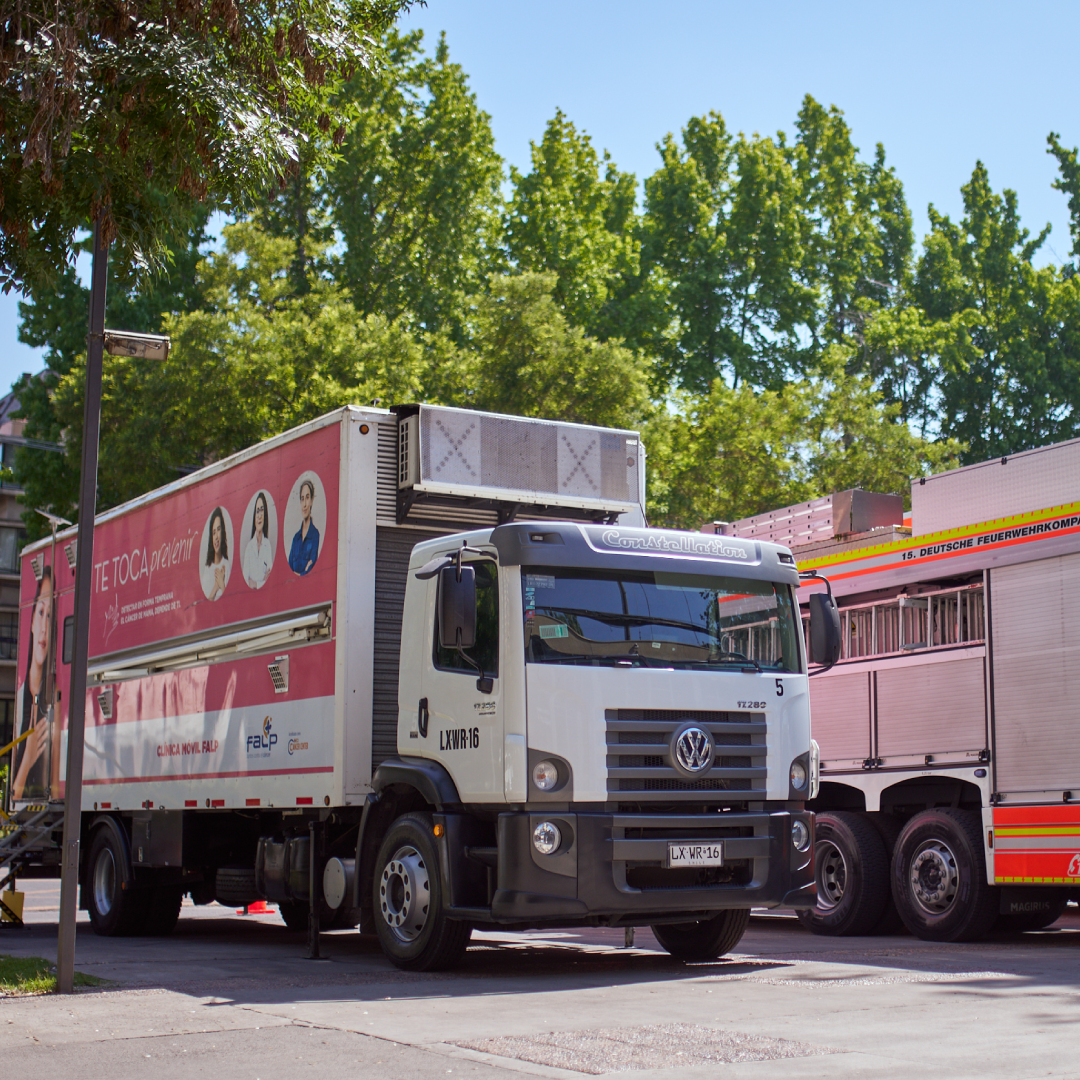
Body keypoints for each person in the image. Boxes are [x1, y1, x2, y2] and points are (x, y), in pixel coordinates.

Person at [12, 566, 53, 801]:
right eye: (40, 612)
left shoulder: (55, 700)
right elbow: (14, 797)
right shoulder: (20, 698)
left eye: (50, 616)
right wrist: (27, 761)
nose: (44, 628)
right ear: (31, 622)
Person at [288, 479, 320, 576]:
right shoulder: (296, 538)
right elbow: (288, 570)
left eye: (307, 498)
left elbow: (312, 569)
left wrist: (299, 574)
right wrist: (303, 572)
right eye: (302, 499)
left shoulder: (315, 535)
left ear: (311, 500)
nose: (305, 504)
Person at [242, 492, 273, 589]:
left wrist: (256, 584)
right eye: (257, 511)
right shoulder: (249, 547)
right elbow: (246, 580)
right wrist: (262, 581)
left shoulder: (267, 545)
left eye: (262, 510)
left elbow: (270, 577)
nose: (259, 515)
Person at [200, 507, 230, 600]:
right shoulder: (207, 569)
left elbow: (231, 602)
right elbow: (204, 606)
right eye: (213, 532)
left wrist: (222, 584)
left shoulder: (226, 566)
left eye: (218, 529)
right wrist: (216, 587)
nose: (216, 537)